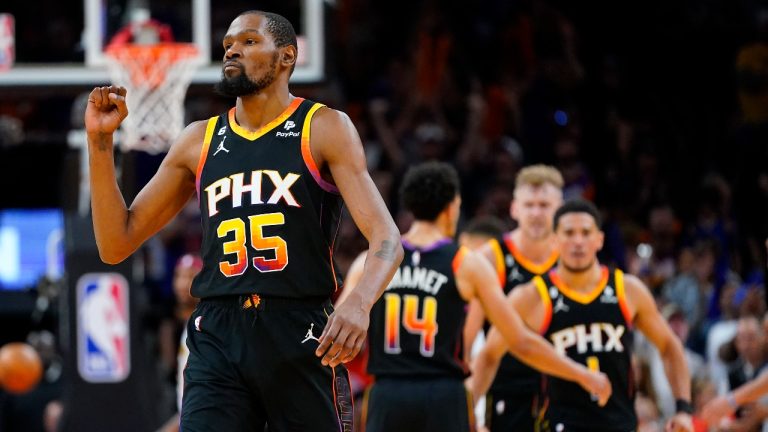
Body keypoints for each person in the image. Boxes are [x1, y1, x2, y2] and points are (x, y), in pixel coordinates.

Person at [84, 10, 403, 432]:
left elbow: (386, 236)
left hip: (300, 328)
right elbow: (115, 243)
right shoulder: (198, 140)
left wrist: (359, 303)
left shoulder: (323, 127)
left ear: (287, 56)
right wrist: (100, 143)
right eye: (228, 44)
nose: (232, 50)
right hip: (218, 331)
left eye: (249, 41)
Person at [342, 163, 611, 432]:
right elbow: (519, 340)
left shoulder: (371, 261)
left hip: (386, 394)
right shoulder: (466, 263)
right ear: (452, 208)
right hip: (445, 395)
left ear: (409, 207)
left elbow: (335, 329)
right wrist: (583, 374)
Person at [469, 199, 694, 432]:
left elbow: (669, 346)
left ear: (599, 240)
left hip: (619, 424)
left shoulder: (627, 289)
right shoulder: (532, 296)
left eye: (586, 233)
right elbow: (489, 355)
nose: (578, 241)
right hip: (559, 425)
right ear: (554, 240)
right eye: (569, 233)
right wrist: (468, 414)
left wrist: (684, 409)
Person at [463, 164, 563, 431]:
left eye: (544, 205)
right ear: (514, 209)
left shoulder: (574, 258)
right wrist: (466, 406)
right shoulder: (490, 258)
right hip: (507, 388)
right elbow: (466, 338)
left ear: (560, 209)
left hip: (565, 389)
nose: (536, 213)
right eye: (529, 205)